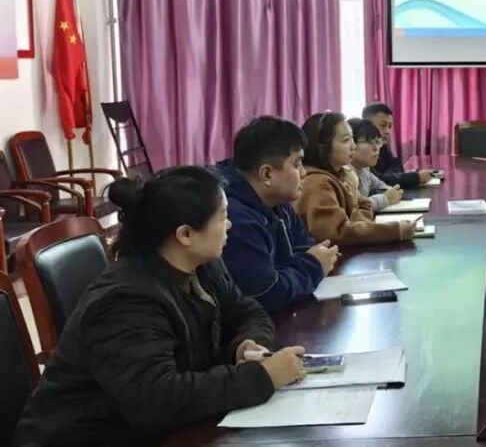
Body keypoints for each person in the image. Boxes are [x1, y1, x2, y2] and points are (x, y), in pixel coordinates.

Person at [15, 167, 307, 445]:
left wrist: (247, 345)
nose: (229, 225)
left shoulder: (202, 265)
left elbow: (247, 311)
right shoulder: (126, 301)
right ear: (185, 235)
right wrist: (261, 377)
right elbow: (156, 401)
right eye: (222, 217)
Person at [219, 116, 340, 312]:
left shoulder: (278, 201)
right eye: (297, 164)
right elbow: (267, 293)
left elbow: (305, 246)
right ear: (267, 174)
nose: (304, 173)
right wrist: (314, 266)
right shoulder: (236, 219)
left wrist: (301, 267)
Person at [295, 111, 414, 245]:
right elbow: (337, 233)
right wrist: (396, 231)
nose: (353, 146)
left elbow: (352, 219)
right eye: (346, 140)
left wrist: (361, 203)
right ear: (322, 146)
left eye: (352, 138)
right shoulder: (318, 183)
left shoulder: (338, 176)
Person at [362, 102, 437, 188]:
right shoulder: (362, 150)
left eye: (390, 126)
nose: (387, 131)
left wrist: (390, 176)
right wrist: (416, 177)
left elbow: (396, 164)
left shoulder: (381, 146)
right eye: (383, 125)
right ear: (367, 126)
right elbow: (378, 181)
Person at [348, 117, 405, 212]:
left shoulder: (364, 170)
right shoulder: (344, 172)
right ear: (351, 144)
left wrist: (394, 193)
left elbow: (382, 187)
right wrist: (385, 199)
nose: (376, 148)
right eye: (369, 142)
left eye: (377, 142)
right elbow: (355, 209)